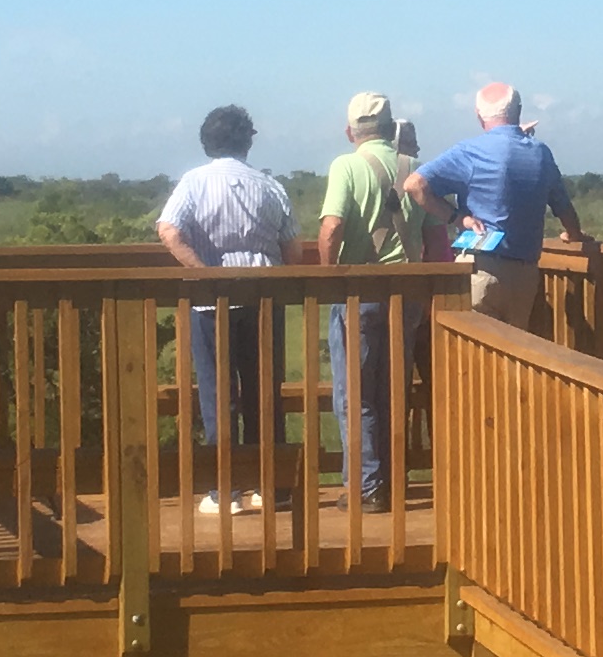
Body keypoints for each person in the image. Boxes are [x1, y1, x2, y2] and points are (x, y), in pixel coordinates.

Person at [155, 103, 292, 506]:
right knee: (264, 391)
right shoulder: (270, 185)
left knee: (218, 394)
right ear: (248, 140)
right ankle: (271, 485)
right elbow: (290, 245)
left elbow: (168, 230)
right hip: (265, 296)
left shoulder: (194, 183)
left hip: (211, 303)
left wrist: (204, 274)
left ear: (206, 142)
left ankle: (225, 488)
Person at [403, 81, 588, 331]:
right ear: (518, 110)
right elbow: (565, 209)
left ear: (479, 116)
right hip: (524, 276)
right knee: (513, 362)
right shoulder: (541, 153)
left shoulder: (470, 152)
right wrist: (574, 236)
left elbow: (415, 185)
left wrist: (457, 218)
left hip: (480, 269)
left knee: (471, 360)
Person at [314, 90, 420, 510]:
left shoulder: (346, 165)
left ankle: (368, 486)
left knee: (355, 393)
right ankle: (393, 480)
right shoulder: (414, 167)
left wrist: (330, 278)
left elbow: (332, 228)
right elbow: (432, 237)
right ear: (391, 128)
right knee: (396, 389)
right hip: (408, 292)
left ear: (349, 131)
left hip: (359, 293)